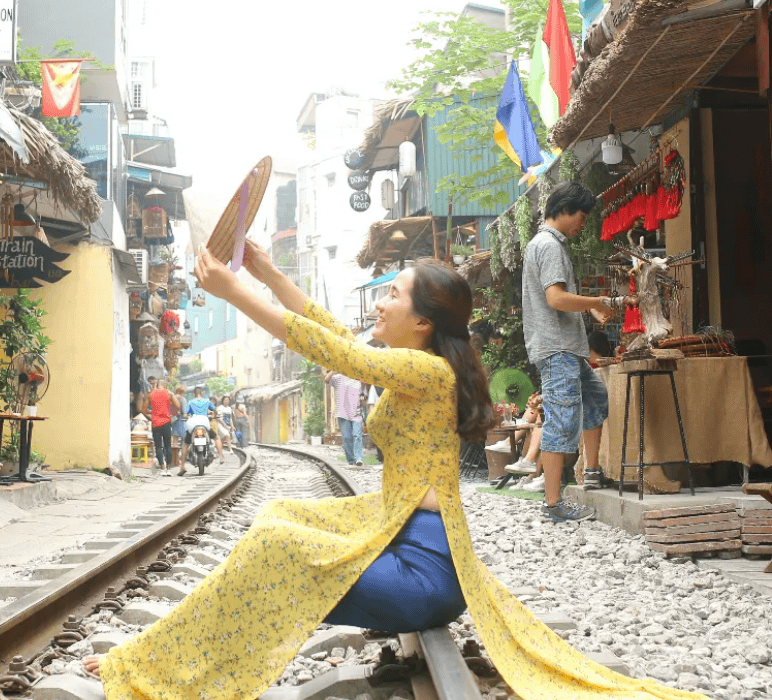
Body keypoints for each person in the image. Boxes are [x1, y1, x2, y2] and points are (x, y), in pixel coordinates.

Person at [82, 241, 701, 700]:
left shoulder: (428, 371)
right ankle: (163, 660)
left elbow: (332, 350)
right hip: (403, 538)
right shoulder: (415, 362)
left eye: (392, 295)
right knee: (278, 518)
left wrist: (234, 292)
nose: (380, 303)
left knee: (274, 544)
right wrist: (265, 270)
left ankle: (160, 670)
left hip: (424, 571)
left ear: (423, 322)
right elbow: (328, 333)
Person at [522, 182, 636, 522]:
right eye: (582, 217)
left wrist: (589, 310)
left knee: (596, 398)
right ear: (565, 210)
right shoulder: (549, 246)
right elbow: (556, 299)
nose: (582, 224)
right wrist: (601, 302)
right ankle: (553, 505)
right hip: (557, 349)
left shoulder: (544, 244)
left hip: (565, 347)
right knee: (560, 421)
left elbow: (557, 301)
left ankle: (591, 471)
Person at [325, 370, 364, 466]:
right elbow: (326, 379)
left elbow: (363, 397)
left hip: (356, 414)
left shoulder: (359, 380)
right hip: (343, 413)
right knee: (347, 438)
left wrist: (362, 403)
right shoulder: (339, 378)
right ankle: (351, 460)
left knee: (357, 436)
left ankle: (358, 458)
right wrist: (334, 369)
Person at [148, 378, 175, 477]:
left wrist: (151, 413)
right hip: (167, 422)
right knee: (168, 445)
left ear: (157, 385)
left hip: (155, 424)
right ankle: (169, 469)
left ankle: (162, 468)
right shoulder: (169, 394)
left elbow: (142, 408)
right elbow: (177, 405)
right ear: (165, 386)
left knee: (158, 446)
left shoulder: (151, 394)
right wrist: (171, 414)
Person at [185, 386, 220, 459]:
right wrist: (215, 416)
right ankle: (221, 456)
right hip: (205, 423)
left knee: (186, 442)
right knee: (216, 437)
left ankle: (183, 463)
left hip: (193, 423)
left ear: (194, 394)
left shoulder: (190, 402)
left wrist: (186, 417)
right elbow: (214, 410)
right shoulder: (207, 401)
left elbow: (185, 414)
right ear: (202, 393)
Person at [170, 386, 188, 476]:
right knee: (185, 442)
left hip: (173, 421)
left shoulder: (172, 397)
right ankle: (182, 460)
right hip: (181, 421)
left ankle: (175, 462)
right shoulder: (183, 399)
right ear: (183, 392)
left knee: (175, 442)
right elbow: (184, 413)